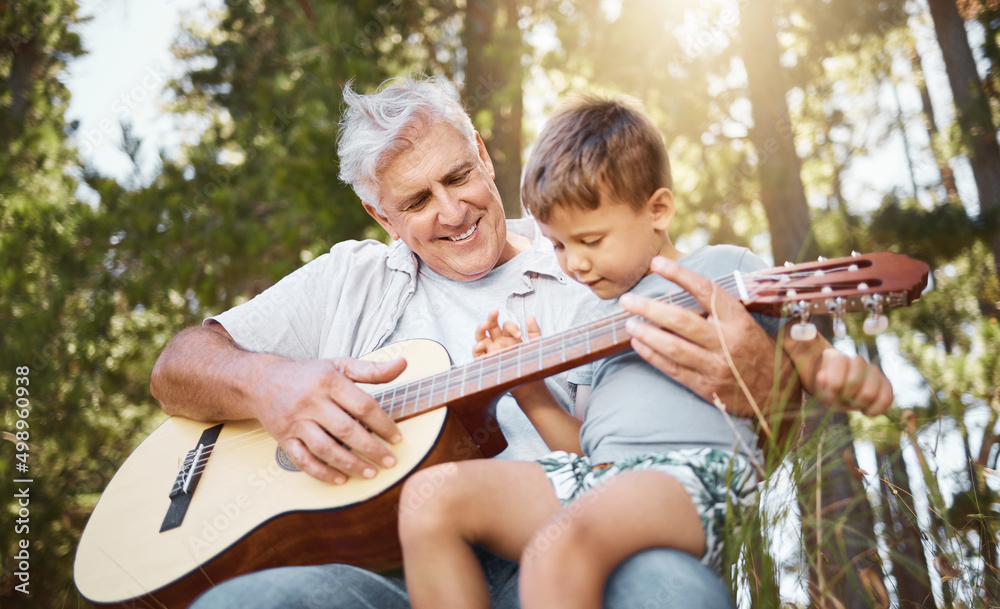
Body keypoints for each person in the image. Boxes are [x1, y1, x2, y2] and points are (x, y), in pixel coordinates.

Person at [150, 77, 810, 609]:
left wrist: (768, 382)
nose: (453, 209)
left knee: (666, 591)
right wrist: (272, 386)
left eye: (459, 175)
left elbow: (714, 441)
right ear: (383, 216)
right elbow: (176, 367)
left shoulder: (594, 265)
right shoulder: (348, 278)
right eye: (417, 200)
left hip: (575, 535)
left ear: (486, 155)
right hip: (391, 574)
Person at [396, 94, 894, 609]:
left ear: (657, 210)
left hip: (692, 475)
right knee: (429, 500)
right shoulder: (593, 314)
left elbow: (807, 351)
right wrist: (527, 388)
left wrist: (839, 372)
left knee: (558, 545)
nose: (576, 266)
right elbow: (581, 448)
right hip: (600, 478)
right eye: (561, 246)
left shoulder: (725, 266)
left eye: (591, 240)